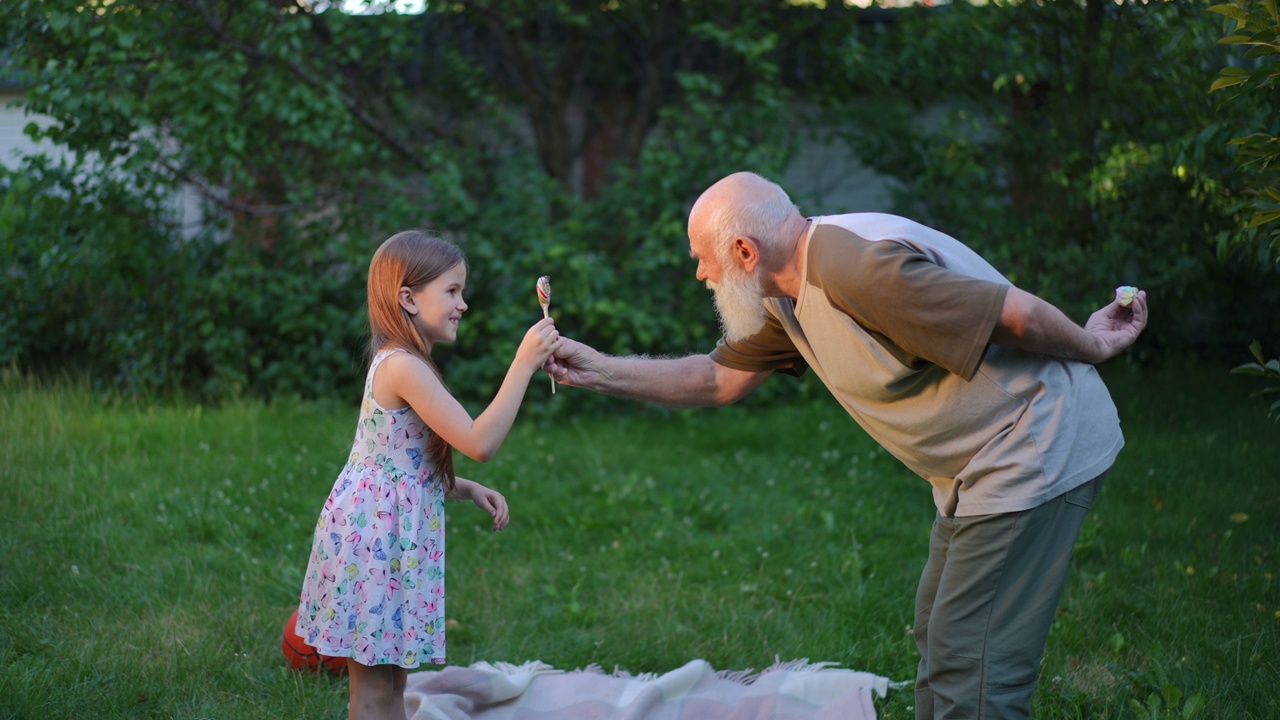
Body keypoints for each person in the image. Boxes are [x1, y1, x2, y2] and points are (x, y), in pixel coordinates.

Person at [544, 172, 1148, 719]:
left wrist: (1093, 344)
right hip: (977, 465)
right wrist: (596, 370)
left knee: (976, 662)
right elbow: (715, 378)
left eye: (703, 260)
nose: (701, 274)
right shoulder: (785, 289)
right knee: (940, 638)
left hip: (1035, 442)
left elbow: (1014, 314)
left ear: (744, 253)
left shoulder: (855, 270)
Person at [296, 230, 561, 720]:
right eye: (452, 291)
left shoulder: (413, 363)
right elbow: (480, 442)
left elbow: (397, 465)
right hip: (373, 544)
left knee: (393, 684)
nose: (464, 303)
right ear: (408, 298)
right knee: (374, 691)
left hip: (385, 536)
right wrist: (524, 364)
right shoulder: (402, 367)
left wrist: (463, 488)